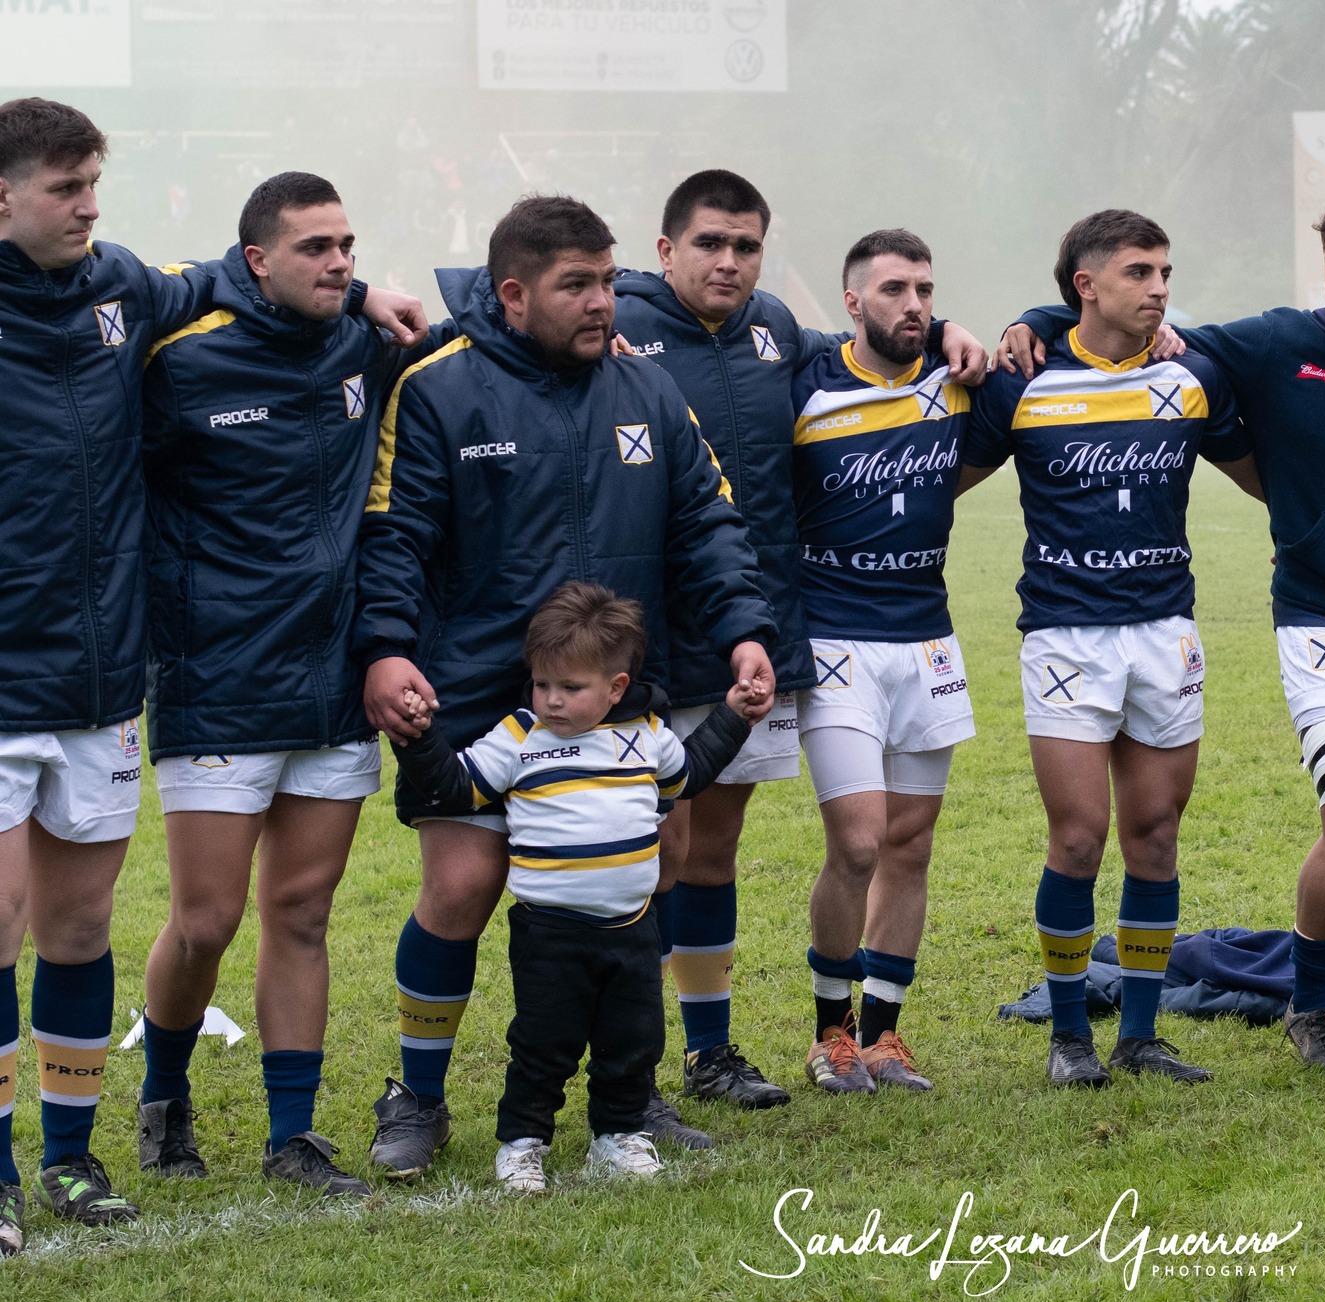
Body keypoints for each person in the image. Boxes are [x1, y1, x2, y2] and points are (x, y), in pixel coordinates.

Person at [0, 97, 422, 1243]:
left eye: (96, 185)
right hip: (146, 680)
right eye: (67, 188)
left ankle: (105, 1158)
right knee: (122, 924)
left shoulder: (126, 289)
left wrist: (374, 287)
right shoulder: (166, 345)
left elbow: (237, 276)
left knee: (119, 931)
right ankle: (75, 1140)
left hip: (133, 683)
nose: (91, 207)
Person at [999, 191, 1325, 1075]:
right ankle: (1275, 1013)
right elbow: (1102, 319)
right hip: (1310, 621)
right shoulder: (1273, 343)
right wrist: (1035, 318)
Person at [354, 193, 774, 1180]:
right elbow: (394, 535)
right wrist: (384, 647)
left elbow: (707, 525)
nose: (602, 303)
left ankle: (628, 1096)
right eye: (574, 285)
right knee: (460, 886)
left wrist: (745, 630)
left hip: (616, 686)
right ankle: (415, 1092)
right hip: (476, 683)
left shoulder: (649, 391)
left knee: (646, 873)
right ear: (512, 293)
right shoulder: (439, 386)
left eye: (605, 279)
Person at [612, 171, 987, 1116]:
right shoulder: (615, 314)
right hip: (647, 626)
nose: (728, 262)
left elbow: (861, 346)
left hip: (750, 627)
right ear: (665, 251)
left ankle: (708, 1051)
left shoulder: (778, 330)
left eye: (745, 246)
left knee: (713, 851)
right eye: (709, 243)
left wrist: (944, 331)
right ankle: (629, 1064)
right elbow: (502, 310)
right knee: (650, 851)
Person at [136, 172, 447, 1196]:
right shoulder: (179, 357)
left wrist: (364, 299)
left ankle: (292, 1138)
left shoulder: (366, 342)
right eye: (316, 248)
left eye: (349, 246)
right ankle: (164, 1098)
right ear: (258, 261)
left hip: (330, 677)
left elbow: (500, 301)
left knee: (303, 913)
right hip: (215, 677)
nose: (341, 262)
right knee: (206, 921)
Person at [960, 210, 1257, 1088]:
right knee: (1081, 837)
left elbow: (1265, 478)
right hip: (1063, 635)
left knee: (1156, 836)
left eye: (1165, 270)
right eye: (1138, 272)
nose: (1159, 287)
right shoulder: (1024, 378)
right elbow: (942, 479)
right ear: (1085, 286)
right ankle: (1067, 1038)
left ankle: (1138, 1033)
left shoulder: (1191, 371)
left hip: (1167, 631)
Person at [389, 582, 758, 1194]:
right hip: (549, 934)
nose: (552, 701)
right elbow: (456, 788)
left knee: (632, 1042)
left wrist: (735, 717)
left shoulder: (646, 736)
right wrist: (423, 739)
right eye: (542, 684)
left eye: (571, 688)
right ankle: (522, 1144)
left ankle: (617, 1135)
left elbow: (688, 776)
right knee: (541, 1047)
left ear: (616, 686)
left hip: (633, 929)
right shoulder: (519, 736)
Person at [788, 229, 977, 1095]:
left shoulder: (960, 382)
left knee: (910, 843)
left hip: (928, 639)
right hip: (832, 638)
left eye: (926, 291)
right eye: (894, 289)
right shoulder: (806, 383)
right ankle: (829, 1028)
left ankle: (884, 1036)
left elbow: (1061, 333)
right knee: (858, 839)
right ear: (853, 301)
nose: (914, 305)